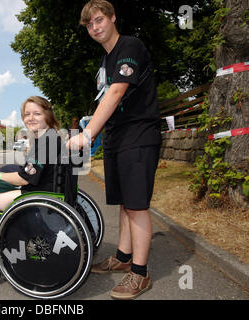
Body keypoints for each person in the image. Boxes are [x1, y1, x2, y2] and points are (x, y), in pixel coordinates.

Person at [67, 0, 162, 300]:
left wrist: (87, 134)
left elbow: (119, 90)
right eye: (90, 24)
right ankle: (122, 257)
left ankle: (140, 274)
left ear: (112, 18)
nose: (95, 27)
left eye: (99, 20)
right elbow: (106, 100)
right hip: (117, 138)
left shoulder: (130, 47)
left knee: (137, 205)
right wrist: (92, 127)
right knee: (125, 202)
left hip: (139, 135)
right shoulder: (105, 63)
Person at [0, 96, 62, 258]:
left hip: (37, 195)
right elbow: (28, 171)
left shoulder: (45, 142)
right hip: (43, 189)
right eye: (27, 114)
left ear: (47, 115)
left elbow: (24, 178)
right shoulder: (48, 137)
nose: (31, 118)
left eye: (37, 113)